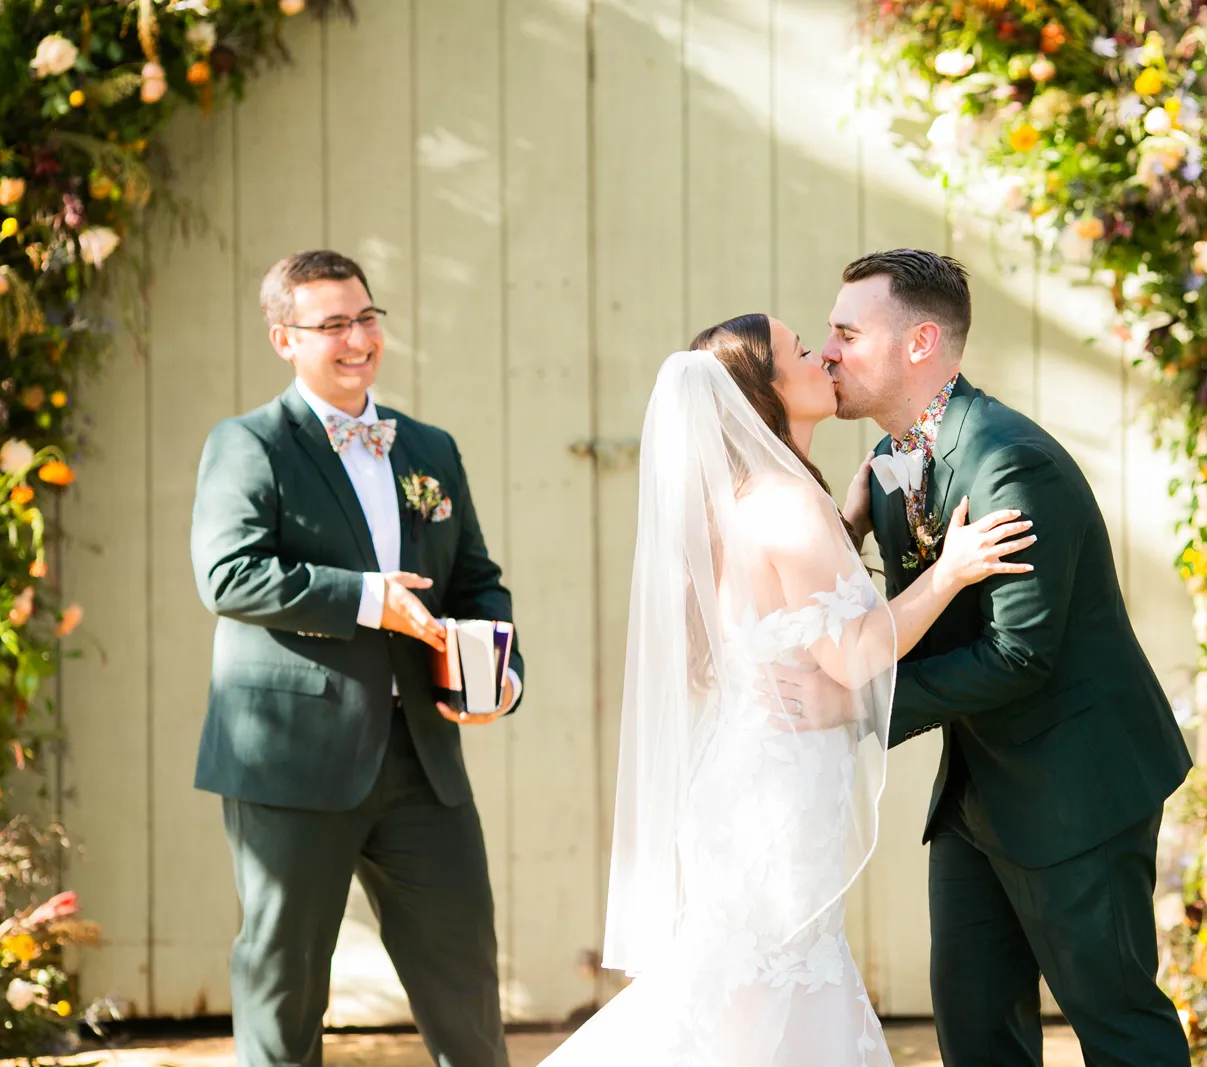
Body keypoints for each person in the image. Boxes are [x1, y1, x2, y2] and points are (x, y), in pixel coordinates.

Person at [541, 314, 1032, 1067]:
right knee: (768, 981)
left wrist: (850, 529)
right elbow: (854, 653)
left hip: (741, 772)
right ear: (764, 394)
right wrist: (953, 568)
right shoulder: (785, 501)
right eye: (803, 350)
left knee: (747, 981)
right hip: (779, 789)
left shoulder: (742, 498)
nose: (824, 356)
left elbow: (781, 608)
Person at [819, 249, 1194, 1067]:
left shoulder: (1005, 462)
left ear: (920, 343)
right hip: (977, 792)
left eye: (847, 333)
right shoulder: (886, 466)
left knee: (1118, 1023)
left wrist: (859, 706)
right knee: (974, 1027)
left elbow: (1018, 654)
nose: (828, 353)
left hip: (1078, 784)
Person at [189, 250, 521, 1067]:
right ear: (284, 338)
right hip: (292, 759)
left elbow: (477, 581)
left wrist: (499, 672)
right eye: (332, 324)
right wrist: (371, 597)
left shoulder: (430, 450)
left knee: (467, 980)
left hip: (423, 763)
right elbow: (227, 574)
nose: (357, 339)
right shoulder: (247, 444)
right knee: (284, 982)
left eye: (366, 317)